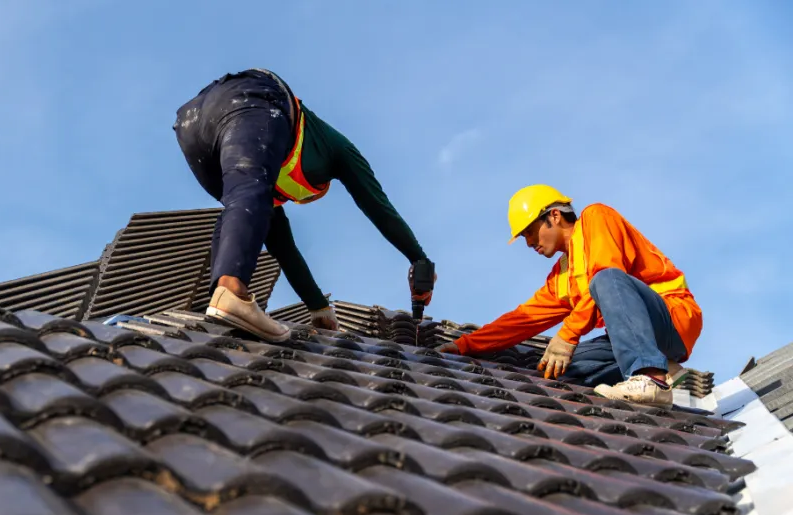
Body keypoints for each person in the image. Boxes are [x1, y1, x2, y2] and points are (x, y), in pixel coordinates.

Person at [173, 68, 434, 342]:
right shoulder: (337, 149)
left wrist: (318, 307)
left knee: (241, 210)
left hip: (192, 125)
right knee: (250, 195)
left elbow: (284, 248)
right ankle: (231, 290)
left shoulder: (266, 176)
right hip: (252, 97)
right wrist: (419, 259)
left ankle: (220, 301)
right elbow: (378, 206)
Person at [437, 185, 701, 408]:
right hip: (636, 337)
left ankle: (651, 378)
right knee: (561, 370)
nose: (529, 243)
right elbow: (522, 319)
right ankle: (661, 366)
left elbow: (607, 273)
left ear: (554, 216)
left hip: (672, 318)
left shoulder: (595, 217)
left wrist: (567, 335)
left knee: (605, 279)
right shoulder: (562, 276)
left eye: (529, 232)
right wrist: (465, 346)